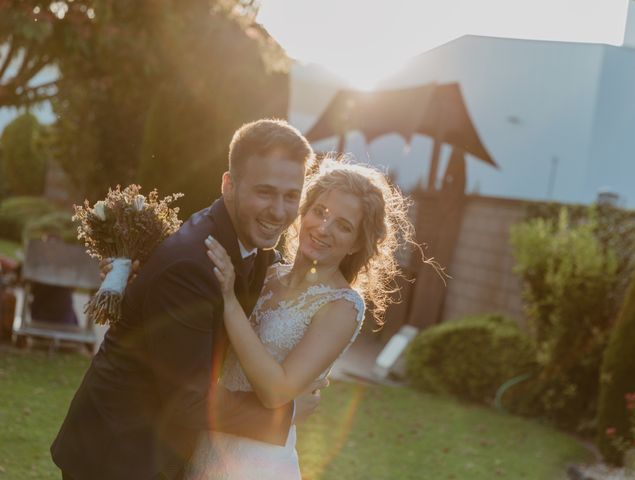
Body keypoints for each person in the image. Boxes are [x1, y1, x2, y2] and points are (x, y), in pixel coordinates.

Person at [51, 119, 320, 480]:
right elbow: (188, 402)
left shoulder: (252, 250)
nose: (278, 210)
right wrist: (284, 414)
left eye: (291, 196)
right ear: (229, 185)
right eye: (265, 192)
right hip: (118, 456)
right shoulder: (191, 265)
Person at [185, 157, 418, 479]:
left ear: (356, 244)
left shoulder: (343, 306)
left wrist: (229, 301)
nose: (323, 228)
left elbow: (276, 392)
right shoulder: (264, 273)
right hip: (209, 440)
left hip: (258, 462)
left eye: (343, 225)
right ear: (304, 211)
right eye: (320, 212)